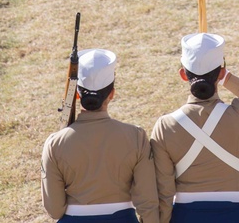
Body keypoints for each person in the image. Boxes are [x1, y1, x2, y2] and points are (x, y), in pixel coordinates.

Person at [150, 33, 239, 223]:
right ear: (220, 72)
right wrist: (226, 78)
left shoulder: (165, 125)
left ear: (183, 74)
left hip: (186, 215)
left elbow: (164, 189)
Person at [41, 48, 159, 223]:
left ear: (77, 95)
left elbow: (55, 209)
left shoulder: (54, 144)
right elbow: (147, 202)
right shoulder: (136, 136)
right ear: (111, 94)